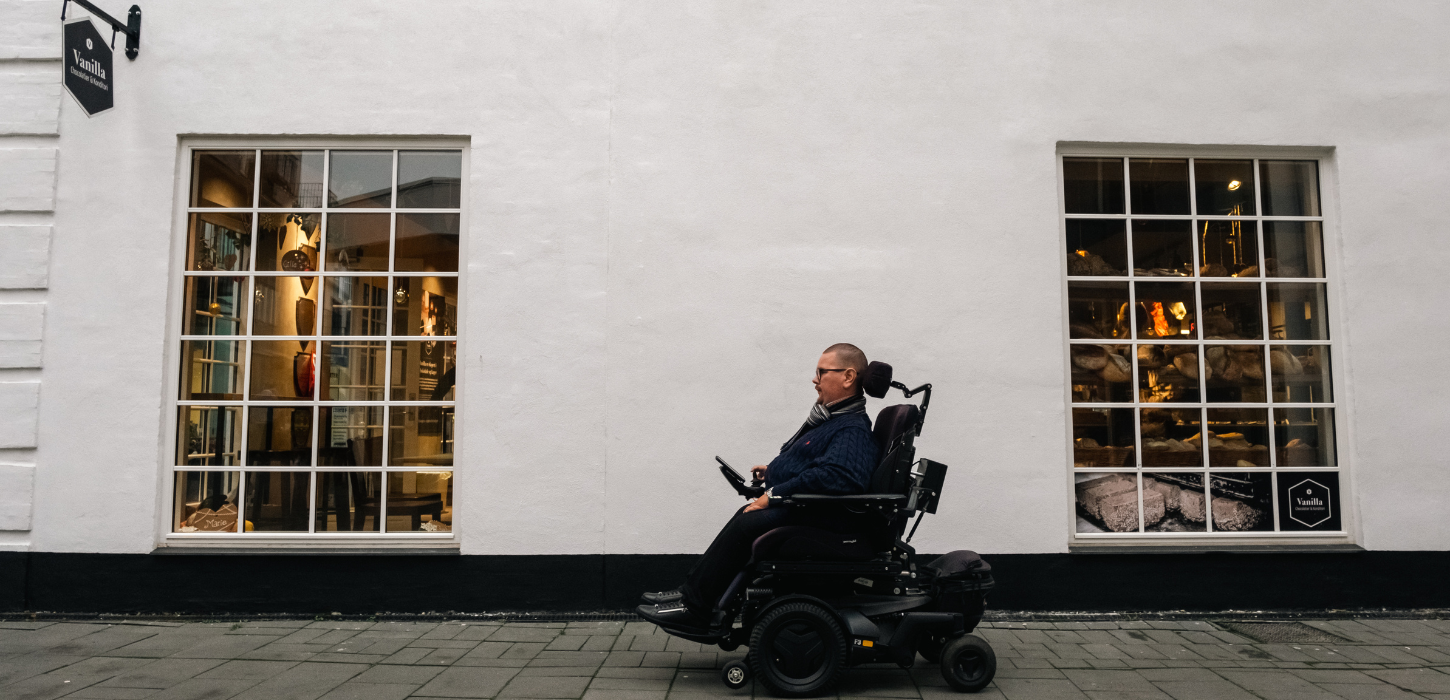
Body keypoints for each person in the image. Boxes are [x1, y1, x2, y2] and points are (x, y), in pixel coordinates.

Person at [637, 343, 880, 631]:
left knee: (747, 521)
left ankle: (696, 607)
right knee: (746, 515)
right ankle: (691, 594)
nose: (815, 379)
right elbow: (820, 463)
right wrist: (774, 471)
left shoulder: (850, 427)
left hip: (828, 518)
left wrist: (775, 495)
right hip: (813, 508)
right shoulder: (835, 420)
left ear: (848, 377)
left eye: (821, 372)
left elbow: (841, 476)